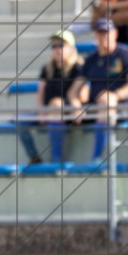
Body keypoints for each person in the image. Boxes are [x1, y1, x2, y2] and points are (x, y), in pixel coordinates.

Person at [66, 19, 128, 162]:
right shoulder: (91, 59)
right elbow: (73, 91)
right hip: (95, 107)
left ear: (115, 33)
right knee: (55, 108)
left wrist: (115, 95)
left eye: (107, 33)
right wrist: (75, 105)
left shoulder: (124, 54)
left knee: (106, 102)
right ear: (95, 35)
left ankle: (96, 159)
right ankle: (54, 162)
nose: (104, 37)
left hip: (121, 107)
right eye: (101, 33)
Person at [18, 30, 85, 165]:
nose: (57, 49)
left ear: (71, 48)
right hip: (51, 110)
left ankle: (56, 159)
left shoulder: (78, 68)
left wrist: (63, 105)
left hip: (70, 112)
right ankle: (34, 157)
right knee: (21, 120)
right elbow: (40, 92)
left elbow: (83, 96)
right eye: (54, 46)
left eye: (61, 45)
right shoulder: (48, 68)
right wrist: (41, 110)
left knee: (56, 104)